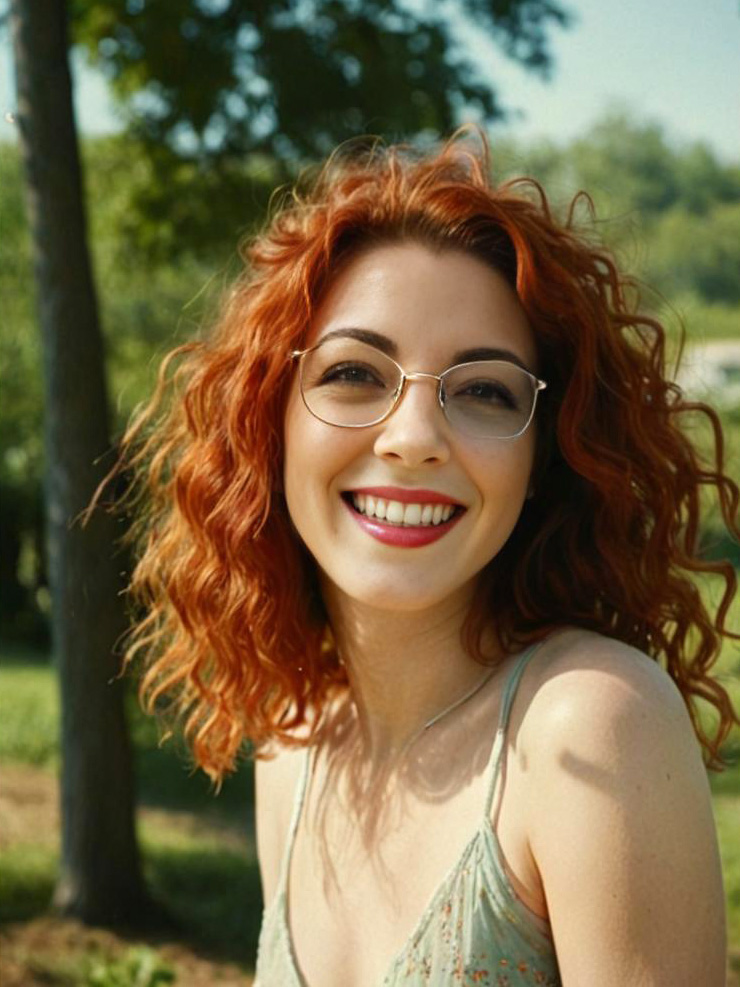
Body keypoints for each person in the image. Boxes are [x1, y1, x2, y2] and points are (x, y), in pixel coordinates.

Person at [113, 132, 738, 986]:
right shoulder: (291, 749)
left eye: (484, 391)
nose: (412, 439)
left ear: (543, 457)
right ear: (270, 416)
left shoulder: (590, 724)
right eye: (354, 374)